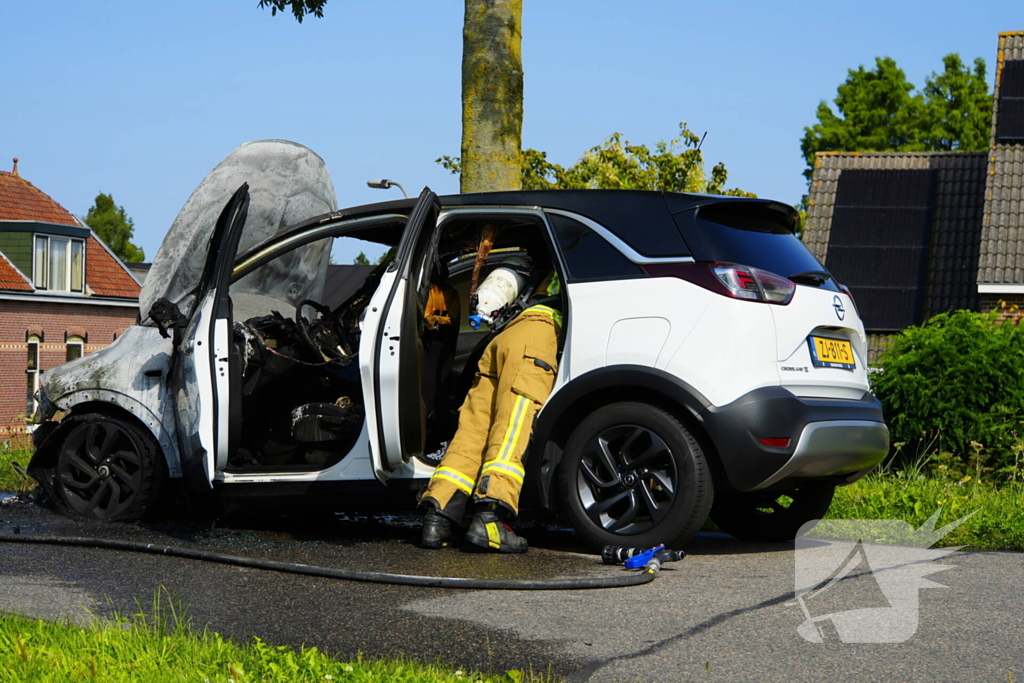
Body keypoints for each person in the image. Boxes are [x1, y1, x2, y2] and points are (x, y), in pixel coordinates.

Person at [418, 243, 562, 553]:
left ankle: (438, 516)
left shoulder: (544, 260)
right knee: (511, 428)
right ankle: (490, 518)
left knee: (473, 429)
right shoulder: (578, 261)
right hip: (538, 334)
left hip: (501, 337)